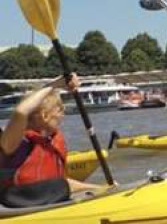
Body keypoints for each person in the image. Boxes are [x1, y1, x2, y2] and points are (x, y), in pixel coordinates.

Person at [0, 74, 104, 207]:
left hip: (44, 198)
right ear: (45, 115)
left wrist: (100, 188)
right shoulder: (16, 141)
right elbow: (21, 111)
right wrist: (55, 84)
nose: (63, 115)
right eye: (60, 110)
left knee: (60, 184)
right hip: (17, 199)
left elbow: (65, 183)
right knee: (60, 185)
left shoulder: (50, 139)